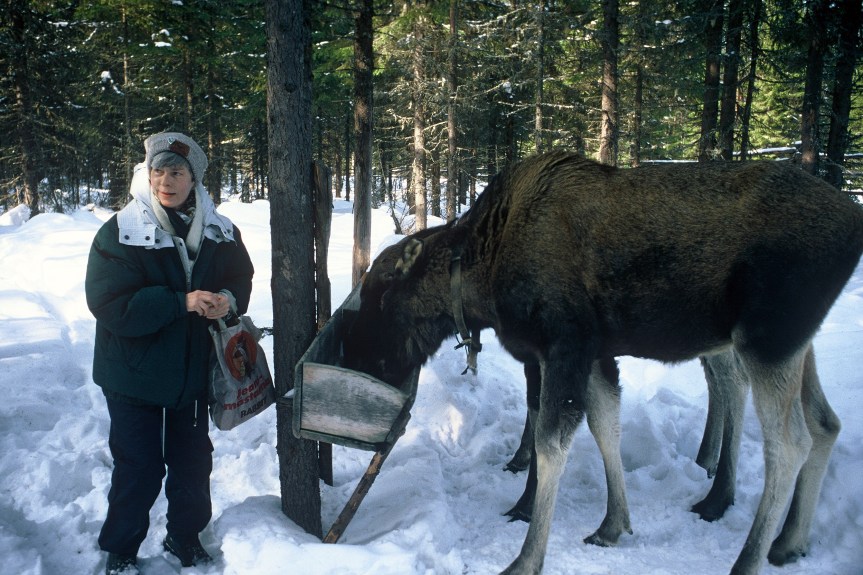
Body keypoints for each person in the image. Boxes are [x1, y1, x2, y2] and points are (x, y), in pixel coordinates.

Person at [85, 132, 254, 575]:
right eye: (158, 171)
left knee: (192, 464)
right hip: (133, 376)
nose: (166, 180)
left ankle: (185, 538)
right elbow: (109, 304)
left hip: (193, 374)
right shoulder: (121, 231)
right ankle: (121, 549)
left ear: (194, 178)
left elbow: (241, 278)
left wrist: (226, 299)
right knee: (138, 468)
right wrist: (180, 301)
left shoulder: (220, 231)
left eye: (176, 172)